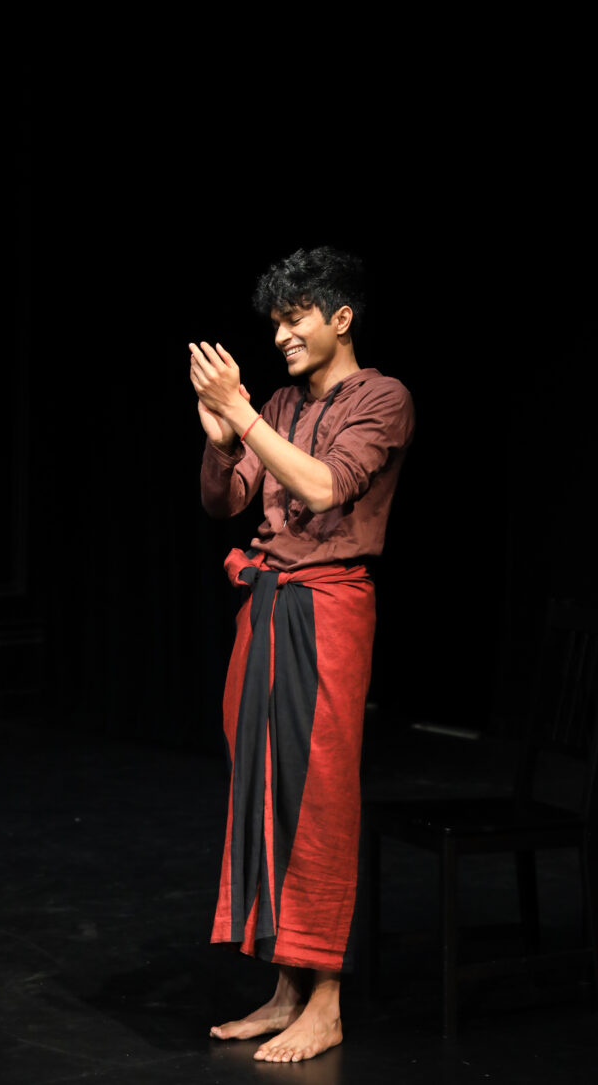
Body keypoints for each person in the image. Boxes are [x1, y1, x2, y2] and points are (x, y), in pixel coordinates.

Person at [189, 246, 414, 1063]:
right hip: (267, 607)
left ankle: (327, 1000)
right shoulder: (281, 403)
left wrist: (243, 415)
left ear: (340, 318)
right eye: (276, 322)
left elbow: (324, 488)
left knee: (317, 799)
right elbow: (226, 500)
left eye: (296, 319)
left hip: (328, 611)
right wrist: (223, 439)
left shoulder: (383, 398)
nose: (282, 335)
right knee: (262, 793)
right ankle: (286, 987)